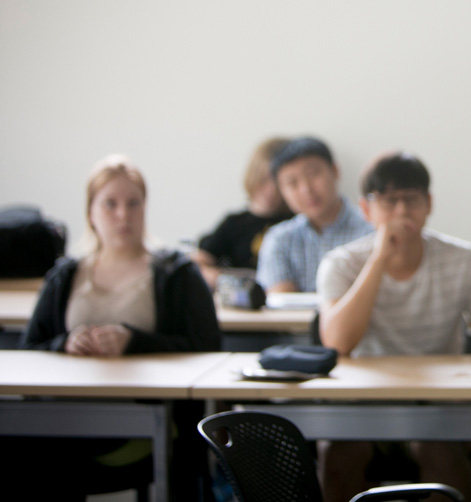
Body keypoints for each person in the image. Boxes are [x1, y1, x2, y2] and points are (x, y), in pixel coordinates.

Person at [18, 154, 221, 499]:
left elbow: (208, 348)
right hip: (62, 425)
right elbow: (28, 350)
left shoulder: (176, 273)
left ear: (145, 208)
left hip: (144, 425)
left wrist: (135, 342)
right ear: (90, 212)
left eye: (133, 203)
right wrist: (64, 344)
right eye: (110, 204)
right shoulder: (65, 275)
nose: (123, 215)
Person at [316, 151, 471, 502]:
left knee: (440, 452)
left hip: (438, 404)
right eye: (388, 201)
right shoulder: (342, 263)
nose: (401, 211)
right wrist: (379, 259)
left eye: (411, 199)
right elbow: (337, 343)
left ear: (429, 203)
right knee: (336, 455)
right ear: (366, 209)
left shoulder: (464, 259)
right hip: (364, 405)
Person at [256, 136, 371, 294]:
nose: (306, 189)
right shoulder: (279, 240)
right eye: (292, 183)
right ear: (281, 191)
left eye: (313, 174)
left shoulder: (371, 228)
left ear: (335, 171)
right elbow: (281, 301)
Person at [192, 136, 293, 287]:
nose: (271, 190)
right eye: (264, 179)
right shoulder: (234, 223)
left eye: (279, 182)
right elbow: (198, 262)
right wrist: (224, 280)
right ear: (254, 175)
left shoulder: (295, 222)